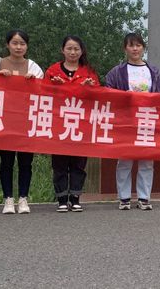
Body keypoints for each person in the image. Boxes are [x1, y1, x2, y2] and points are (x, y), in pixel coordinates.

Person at [105, 33, 160, 211]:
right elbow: (107, 93)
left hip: (147, 120)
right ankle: (124, 198)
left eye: (138, 45)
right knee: (125, 160)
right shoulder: (117, 72)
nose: (135, 49)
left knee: (147, 160)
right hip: (126, 121)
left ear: (143, 48)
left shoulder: (153, 71)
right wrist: (122, 99)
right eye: (131, 45)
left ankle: (144, 197)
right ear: (125, 48)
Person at [0, 29, 44, 214]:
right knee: (6, 161)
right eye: (15, 43)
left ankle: (23, 198)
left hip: (26, 120)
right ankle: (8, 199)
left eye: (22, 43)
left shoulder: (33, 66)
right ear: (7, 44)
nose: (18, 47)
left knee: (26, 162)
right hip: (5, 120)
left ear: (27, 46)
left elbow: (43, 90)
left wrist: (33, 82)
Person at [44, 35, 99, 213]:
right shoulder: (53, 70)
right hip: (59, 123)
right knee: (59, 163)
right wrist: (53, 86)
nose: (73, 52)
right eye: (69, 48)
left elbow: (99, 95)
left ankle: (75, 198)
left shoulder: (88, 72)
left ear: (81, 51)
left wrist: (91, 88)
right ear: (62, 50)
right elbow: (42, 93)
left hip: (81, 124)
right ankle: (61, 198)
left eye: (76, 49)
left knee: (78, 163)